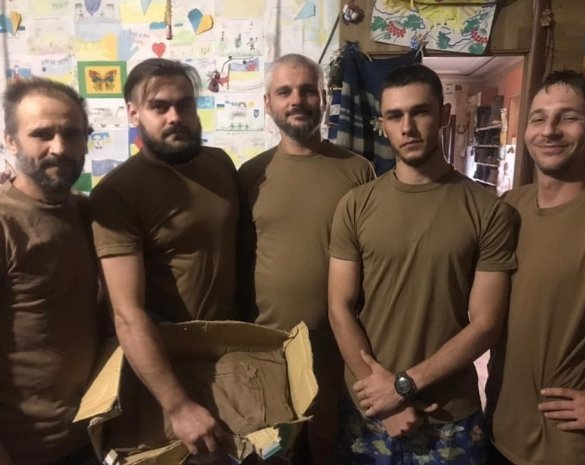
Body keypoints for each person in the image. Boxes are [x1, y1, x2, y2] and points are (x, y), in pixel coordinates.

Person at [328, 63, 517, 464]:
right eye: (395, 116)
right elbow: (339, 307)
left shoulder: (488, 210)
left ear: (444, 115)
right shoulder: (355, 205)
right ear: (382, 124)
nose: (408, 127)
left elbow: (486, 323)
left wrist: (402, 386)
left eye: (420, 112)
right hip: (370, 409)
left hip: (449, 414)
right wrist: (381, 394)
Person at [90, 58, 239, 456]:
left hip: (228, 358)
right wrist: (177, 405)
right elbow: (126, 313)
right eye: (159, 106)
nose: (175, 117)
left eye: (185, 104)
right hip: (162, 375)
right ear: (133, 113)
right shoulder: (116, 194)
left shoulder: (220, 164)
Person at [237, 53, 375, 464]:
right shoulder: (250, 175)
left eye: (307, 90)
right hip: (267, 354)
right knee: (272, 455)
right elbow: (239, 262)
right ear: (268, 103)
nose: (296, 100)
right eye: (284, 92)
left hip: (339, 352)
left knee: (330, 452)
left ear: (324, 98)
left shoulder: (358, 171)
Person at [487, 70, 585, 465]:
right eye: (539, 118)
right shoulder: (511, 206)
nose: (549, 131)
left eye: (569, 117)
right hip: (501, 434)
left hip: (573, 451)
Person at [0, 77, 101, 464]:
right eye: (42, 134)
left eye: (71, 133)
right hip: (27, 451)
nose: (59, 148)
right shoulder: (6, 223)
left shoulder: (87, 212)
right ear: (11, 141)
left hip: (93, 434)